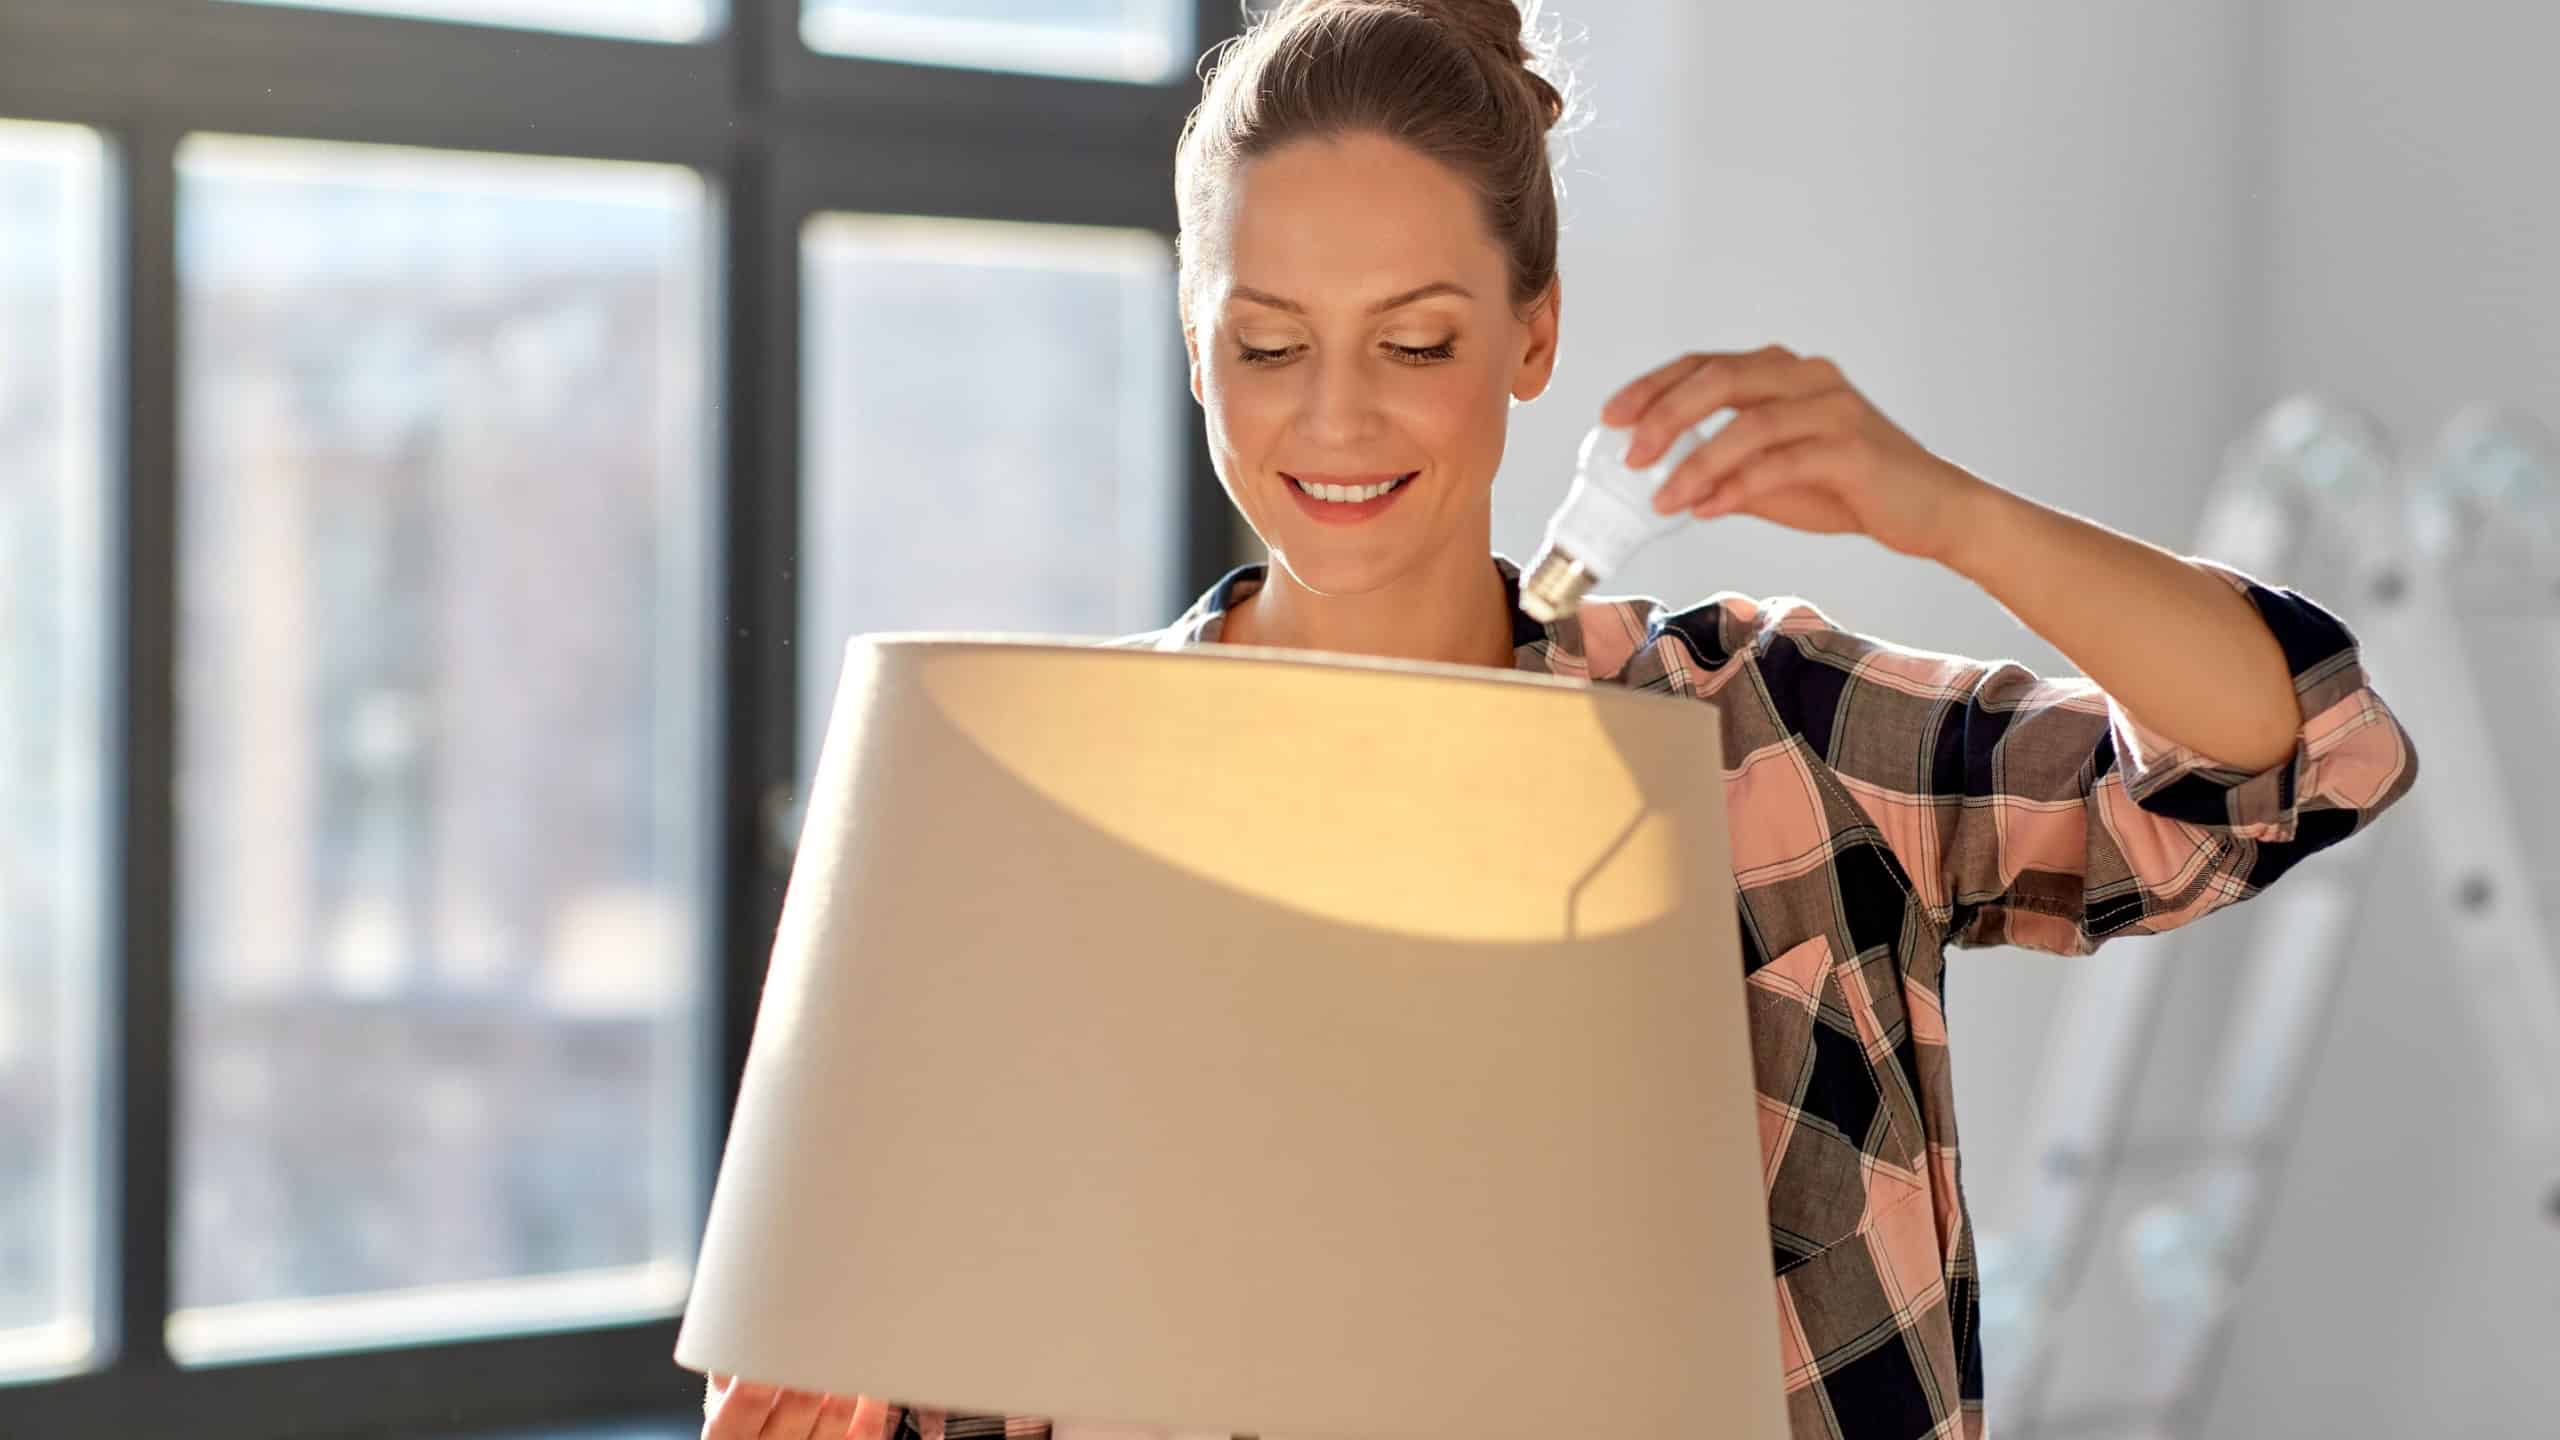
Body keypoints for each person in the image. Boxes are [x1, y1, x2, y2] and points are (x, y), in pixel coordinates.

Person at [702, 0, 2421, 1436]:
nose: (1340, 418)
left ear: (1533, 335)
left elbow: (2273, 766)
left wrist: (1944, 511)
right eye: (1270, 345)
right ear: (1193, 341)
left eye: (1419, 341)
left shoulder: (1763, 736)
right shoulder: (1060, 821)